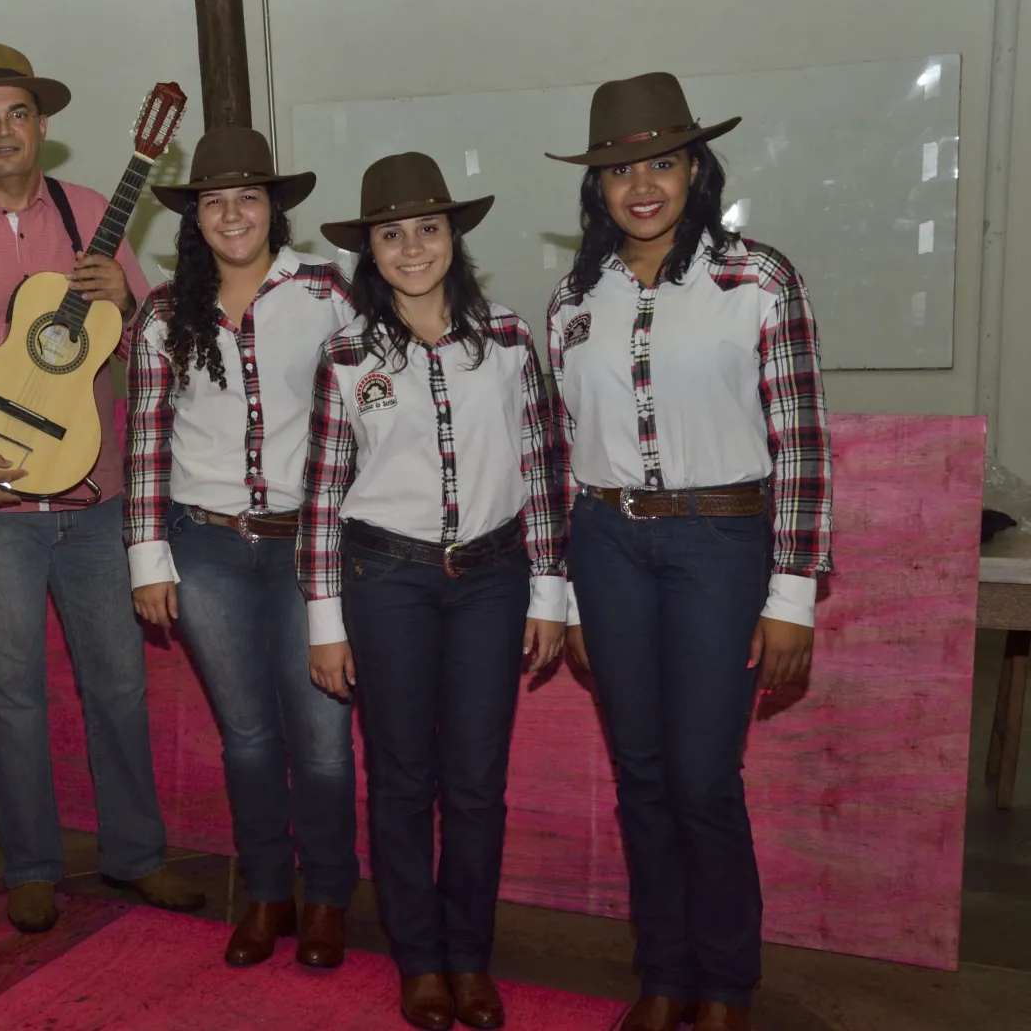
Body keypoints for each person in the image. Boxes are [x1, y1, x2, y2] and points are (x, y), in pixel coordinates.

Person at [0, 43, 205, 933]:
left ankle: (136, 854)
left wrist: (126, 304)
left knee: (119, 685)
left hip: (95, 498)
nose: (3, 131)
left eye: (17, 113)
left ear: (43, 124)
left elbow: (156, 348)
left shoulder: (91, 212)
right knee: (9, 691)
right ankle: (30, 864)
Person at [545, 73, 832, 1031]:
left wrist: (791, 596)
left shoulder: (760, 279)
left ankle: (726, 985)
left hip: (720, 544)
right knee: (640, 778)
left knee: (703, 779)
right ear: (596, 187)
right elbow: (566, 453)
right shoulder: (572, 298)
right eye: (619, 170)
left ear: (696, 170)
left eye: (662, 163)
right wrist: (570, 598)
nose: (642, 186)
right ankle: (663, 975)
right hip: (607, 546)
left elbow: (802, 443)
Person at [301, 153, 566, 1031]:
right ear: (369, 250)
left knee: (478, 783)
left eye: (427, 228)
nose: (411, 248)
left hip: (493, 580)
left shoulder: (512, 340)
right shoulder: (346, 354)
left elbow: (541, 470)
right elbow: (323, 494)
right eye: (391, 234)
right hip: (386, 581)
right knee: (403, 779)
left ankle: (469, 958)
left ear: (455, 236)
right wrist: (326, 621)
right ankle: (419, 960)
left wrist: (548, 593)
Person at [125, 127, 357, 968]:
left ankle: (327, 896)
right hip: (207, 549)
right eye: (214, 202)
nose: (231, 215)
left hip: (310, 553)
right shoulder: (164, 313)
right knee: (249, 737)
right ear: (194, 217)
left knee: (323, 738)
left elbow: (371, 408)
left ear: (274, 209)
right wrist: (147, 557)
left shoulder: (328, 292)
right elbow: (146, 440)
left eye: (247, 198)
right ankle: (267, 892)